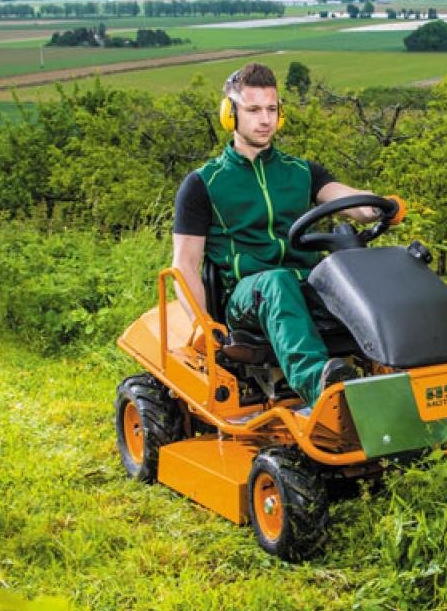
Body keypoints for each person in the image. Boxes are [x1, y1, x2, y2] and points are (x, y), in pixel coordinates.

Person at [171, 62, 404, 406]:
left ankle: (430, 364)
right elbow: (185, 265)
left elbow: (345, 199)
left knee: (372, 269)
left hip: (306, 283)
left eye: (271, 109)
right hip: (247, 295)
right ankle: (323, 389)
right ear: (230, 115)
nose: (265, 120)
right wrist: (201, 326)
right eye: (253, 110)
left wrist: (378, 207)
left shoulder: (300, 172)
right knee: (276, 282)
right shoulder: (204, 183)